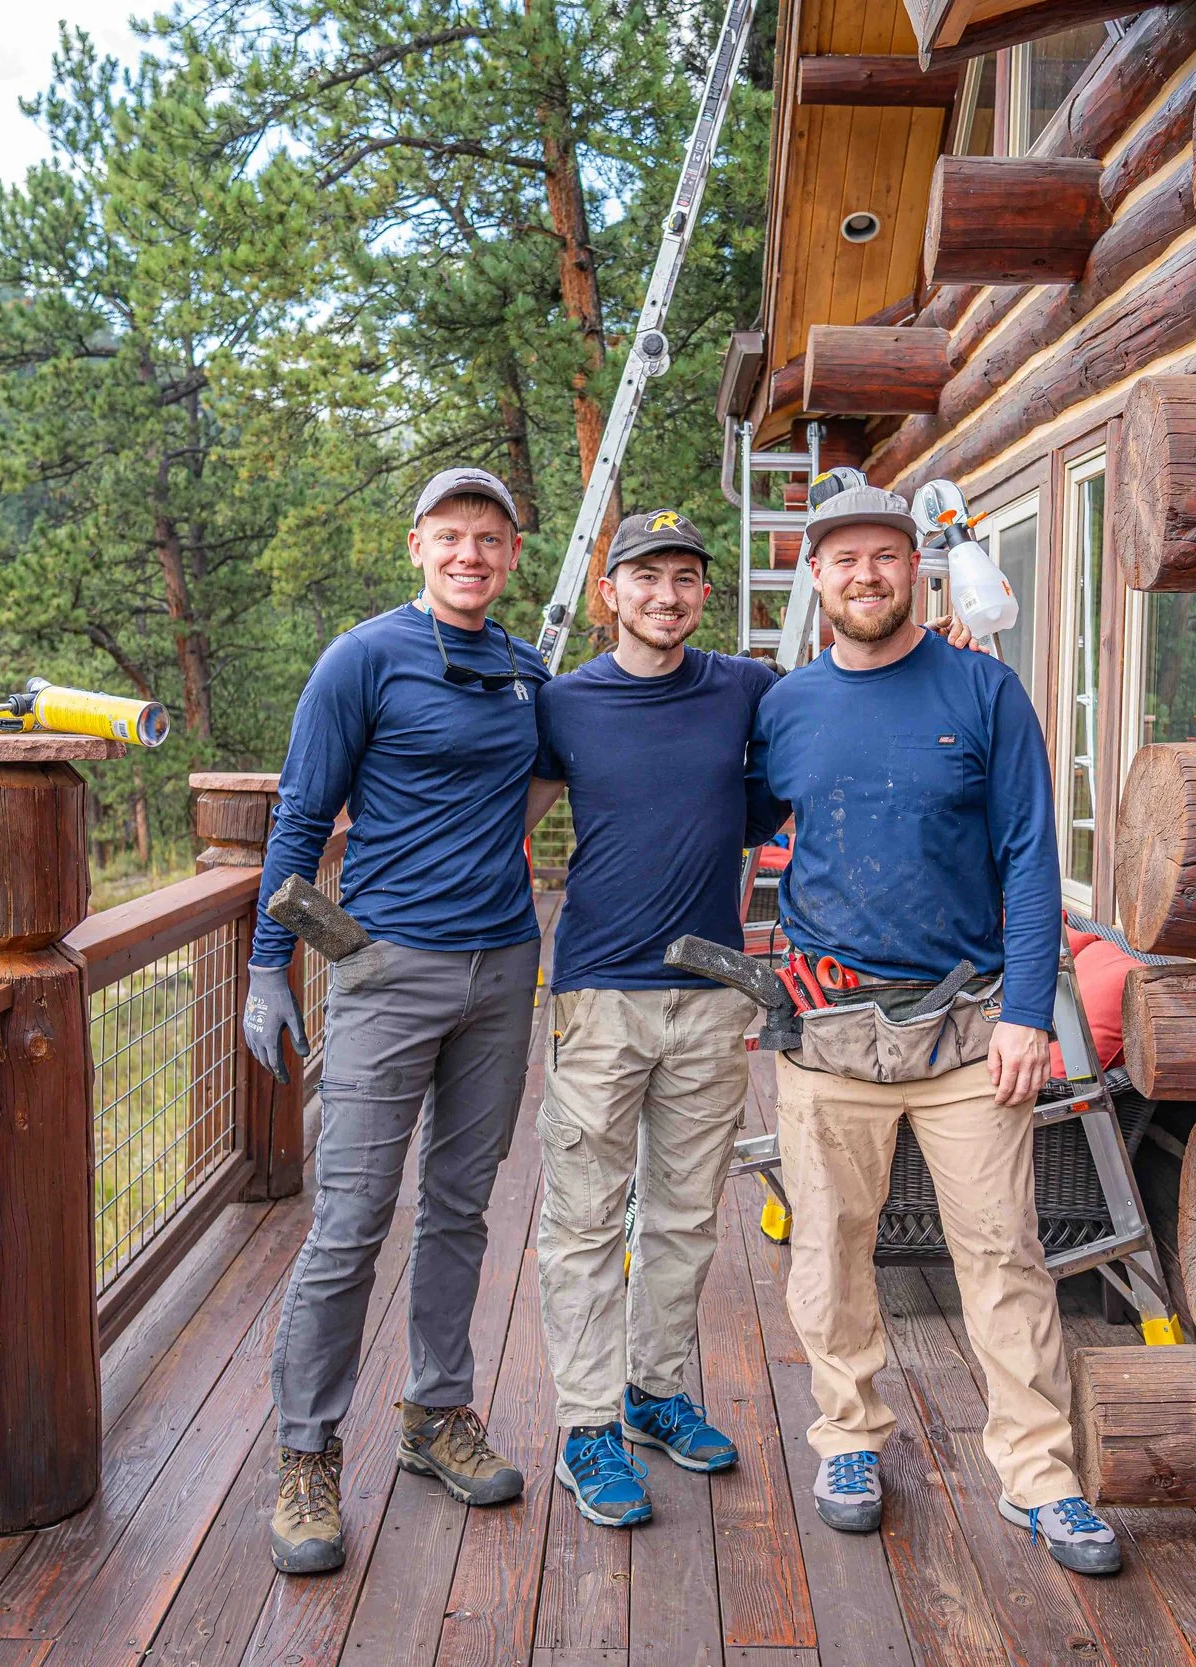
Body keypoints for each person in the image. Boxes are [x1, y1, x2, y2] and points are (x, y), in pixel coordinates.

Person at [745, 479, 1122, 1577]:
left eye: (884, 556)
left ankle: (1041, 1473)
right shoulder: (783, 708)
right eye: (843, 559)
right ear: (815, 576)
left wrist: (1022, 1012)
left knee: (1002, 1251)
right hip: (827, 1032)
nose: (865, 575)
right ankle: (850, 1439)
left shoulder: (983, 688)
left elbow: (1028, 855)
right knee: (828, 1250)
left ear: (915, 567)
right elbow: (725, 820)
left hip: (966, 1033)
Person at [243, 466, 546, 1576]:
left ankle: (434, 1415)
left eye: (491, 539)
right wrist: (268, 965)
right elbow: (302, 813)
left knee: (460, 1204)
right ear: (416, 545)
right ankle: (307, 1454)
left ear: (513, 556)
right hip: (382, 969)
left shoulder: (523, 668)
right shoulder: (362, 658)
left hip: (504, 967)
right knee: (350, 1218)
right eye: (452, 535)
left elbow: (547, 775)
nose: (471, 553)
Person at [523, 509, 783, 1528]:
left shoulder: (745, 690)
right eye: (644, 577)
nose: (665, 595)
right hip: (597, 992)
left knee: (682, 1213)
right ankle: (585, 1425)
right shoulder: (565, 702)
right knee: (583, 1219)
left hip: (712, 994)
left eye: (684, 578)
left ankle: (652, 1389)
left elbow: (763, 803)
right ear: (609, 593)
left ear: (702, 595)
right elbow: (506, 813)